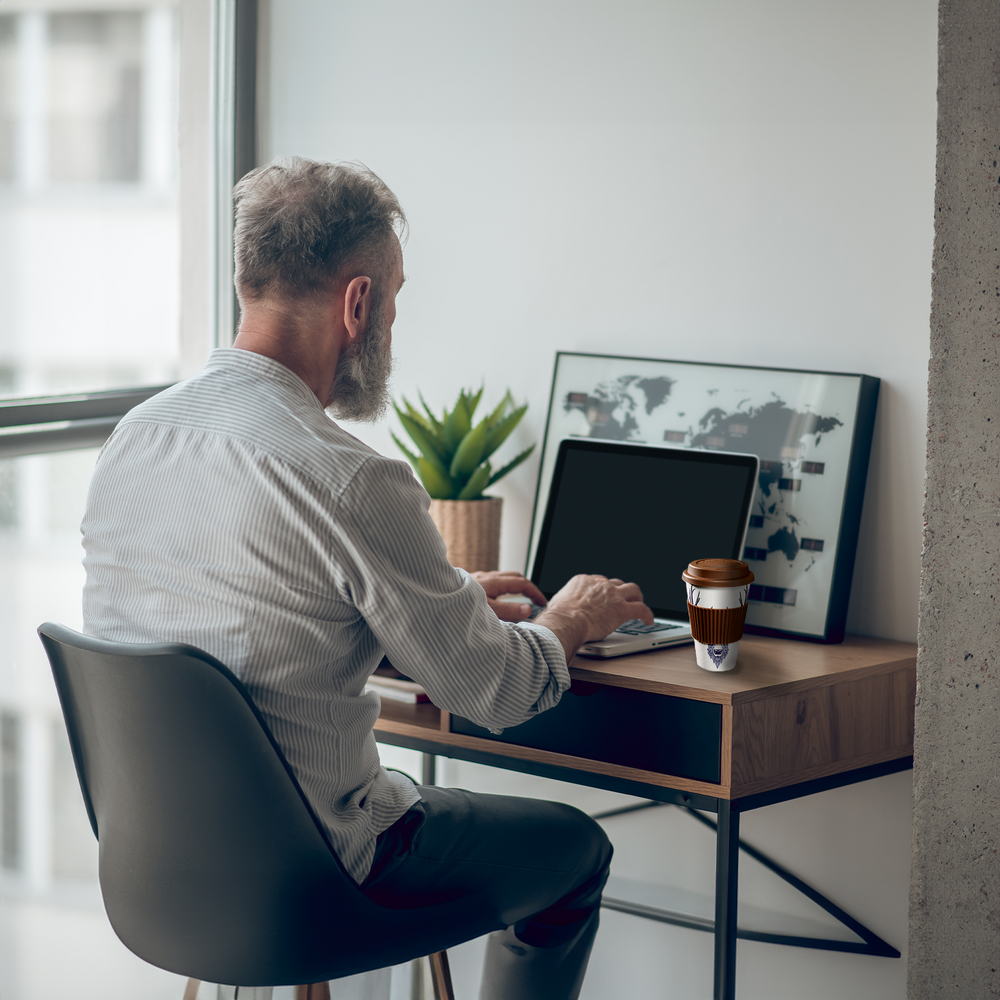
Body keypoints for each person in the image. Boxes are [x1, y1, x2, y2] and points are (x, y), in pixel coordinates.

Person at [81, 156, 653, 1000]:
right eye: (394, 295)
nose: (392, 316)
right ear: (359, 304)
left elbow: (243, 617)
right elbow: (494, 693)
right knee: (574, 852)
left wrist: (443, 599)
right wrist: (566, 620)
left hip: (157, 872)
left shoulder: (135, 438)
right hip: (315, 879)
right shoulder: (350, 478)